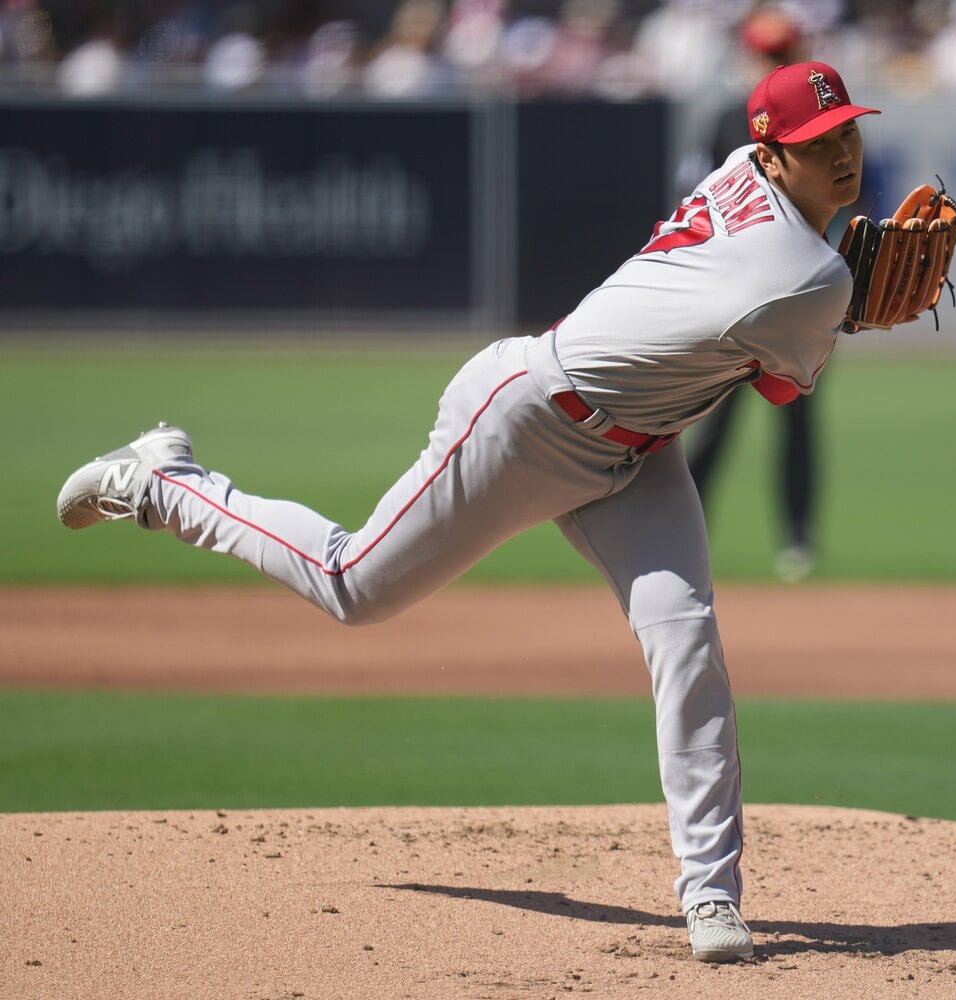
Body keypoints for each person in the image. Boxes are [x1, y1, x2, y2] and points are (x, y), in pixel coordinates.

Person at [56, 60, 878, 964]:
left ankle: (711, 896)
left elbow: (770, 345)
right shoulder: (805, 277)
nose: (843, 155)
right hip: (524, 420)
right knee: (352, 585)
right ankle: (165, 482)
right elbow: (780, 388)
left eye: (848, 134)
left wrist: (842, 299)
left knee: (686, 641)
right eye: (817, 142)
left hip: (638, 454)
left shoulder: (747, 184)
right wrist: (855, 307)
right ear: (770, 153)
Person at [685, 5, 820, 583]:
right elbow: (688, 209)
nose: (770, 64)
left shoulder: (822, 125)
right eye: (764, 55)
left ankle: (798, 538)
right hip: (728, 304)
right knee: (712, 421)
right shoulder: (721, 121)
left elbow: (853, 205)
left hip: (797, 301)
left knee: (798, 417)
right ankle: (686, 535)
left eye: (780, 53)